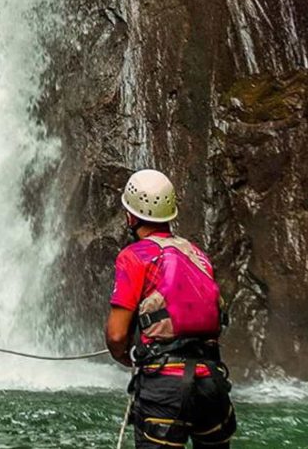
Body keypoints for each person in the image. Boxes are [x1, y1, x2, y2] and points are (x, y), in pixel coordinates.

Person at [105, 169, 237, 448]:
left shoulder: (134, 257)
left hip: (165, 389)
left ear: (131, 216)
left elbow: (117, 336)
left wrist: (126, 357)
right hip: (211, 384)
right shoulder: (197, 255)